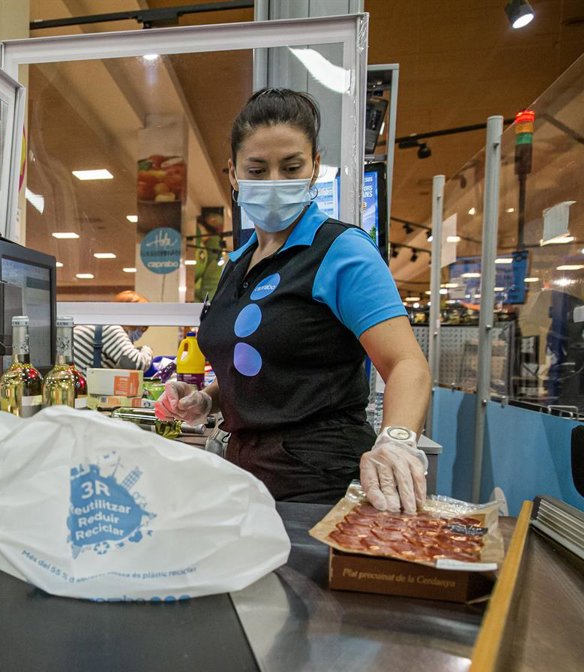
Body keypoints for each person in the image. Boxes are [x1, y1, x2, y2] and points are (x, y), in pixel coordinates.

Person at [155, 88, 432, 514]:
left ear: (314, 167)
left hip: (318, 483)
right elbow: (265, 366)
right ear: (233, 174)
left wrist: (396, 441)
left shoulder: (340, 250)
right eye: (257, 169)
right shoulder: (238, 262)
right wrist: (208, 398)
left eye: (290, 167)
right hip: (249, 473)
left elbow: (407, 364)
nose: (274, 182)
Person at [72, 290, 154, 371]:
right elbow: (134, 363)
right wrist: (147, 350)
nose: (142, 330)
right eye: (143, 324)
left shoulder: (101, 323)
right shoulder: (111, 327)